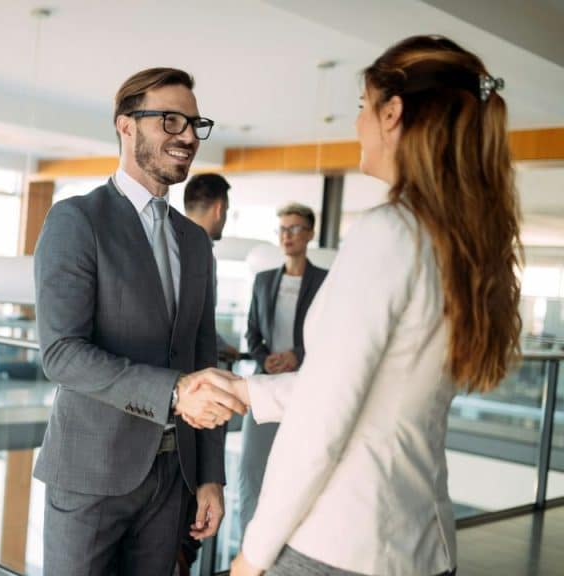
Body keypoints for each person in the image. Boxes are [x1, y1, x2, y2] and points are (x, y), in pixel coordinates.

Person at [221, 35, 520, 575]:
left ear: (392, 113)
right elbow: (376, 393)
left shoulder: (388, 233)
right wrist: (246, 390)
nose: (357, 123)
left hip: (340, 546)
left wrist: (252, 553)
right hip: (420, 545)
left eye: (362, 107)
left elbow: (322, 423)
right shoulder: (462, 244)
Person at [33, 67, 244, 576]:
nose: (189, 136)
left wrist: (210, 474)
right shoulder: (76, 220)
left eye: (194, 124)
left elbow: (202, 359)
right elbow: (61, 354)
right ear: (126, 125)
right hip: (91, 472)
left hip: (175, 477)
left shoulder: (194, 242)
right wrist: (173, 392)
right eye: (170, 120)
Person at [238, 202, 327, 536]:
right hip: (266, 383)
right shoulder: (262, 281)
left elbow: (332, 332)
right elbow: (252, 332)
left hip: (306, 387)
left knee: (299, 472)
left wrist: (297, 355)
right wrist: (265, 358)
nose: (287, 236)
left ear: (310, 234)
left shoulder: (325, 281)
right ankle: (249, 546)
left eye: (295, 229)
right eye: (282, 229)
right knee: (252, 471)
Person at [183, 173, 240, 362]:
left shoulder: (170, 245)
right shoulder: (202, 253)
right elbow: (197, 319)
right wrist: (221, 346)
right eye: (226, 211)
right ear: (219, 209)